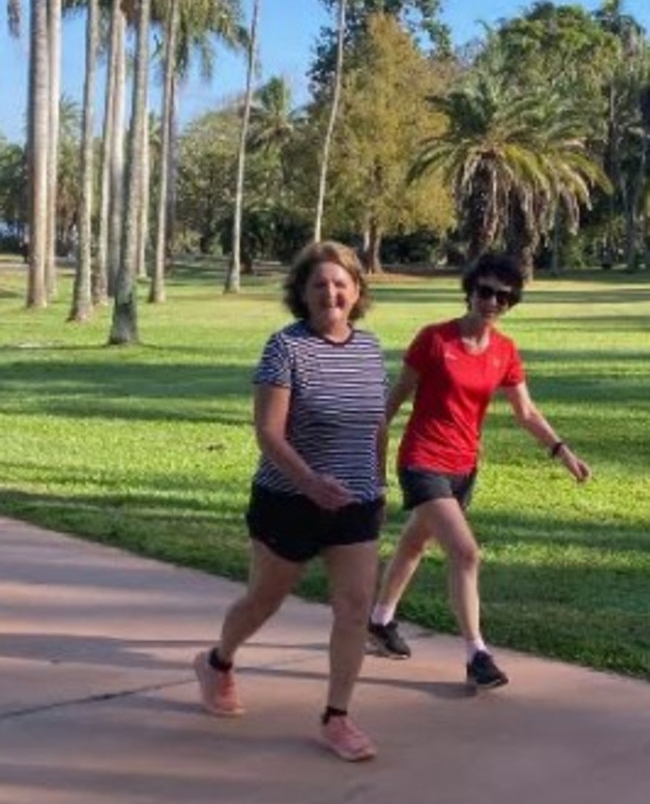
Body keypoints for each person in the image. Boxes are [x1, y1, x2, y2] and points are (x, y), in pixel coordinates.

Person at [194, 240, 388, 762]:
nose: (331, 292)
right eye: (319, 284)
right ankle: (218, 661)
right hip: (289, 501)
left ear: (357, 290)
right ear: (302, 293)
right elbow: (269, 433)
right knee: (263, 601)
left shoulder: (370, 350)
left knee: (353, 610)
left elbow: (377, 423)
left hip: (356, 503)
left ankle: (337, 717)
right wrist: (310, 484)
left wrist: (380, 484)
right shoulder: (285, 347)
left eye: (340, 283)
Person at [367, 252, 591, 689]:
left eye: (503, 297)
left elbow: (525, 412)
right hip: (422, 459)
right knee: (466, 553)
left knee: (414, 543)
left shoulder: (505, 351)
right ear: (469, 291)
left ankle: (380, 620)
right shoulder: (434, 340)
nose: (492, 302)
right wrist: (375, 469)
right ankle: (477, 654)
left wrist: (562, 451)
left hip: (464, 466)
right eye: (485, 291)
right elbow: (390, 406)